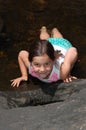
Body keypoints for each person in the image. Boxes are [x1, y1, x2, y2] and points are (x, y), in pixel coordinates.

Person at [11, 26, 78, 87]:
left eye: (46, 64)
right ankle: (43, 29)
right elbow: (21, 54)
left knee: (57, 37)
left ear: (53, 60)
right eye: (37, 64)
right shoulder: (31, 67)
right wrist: (24, 75)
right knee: (44, 39)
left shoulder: (61, 73)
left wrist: (68, 70)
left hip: (61, 45)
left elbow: (72, 50)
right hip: (47, 47)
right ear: (30, 62)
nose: (42, 70)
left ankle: (54, 29)